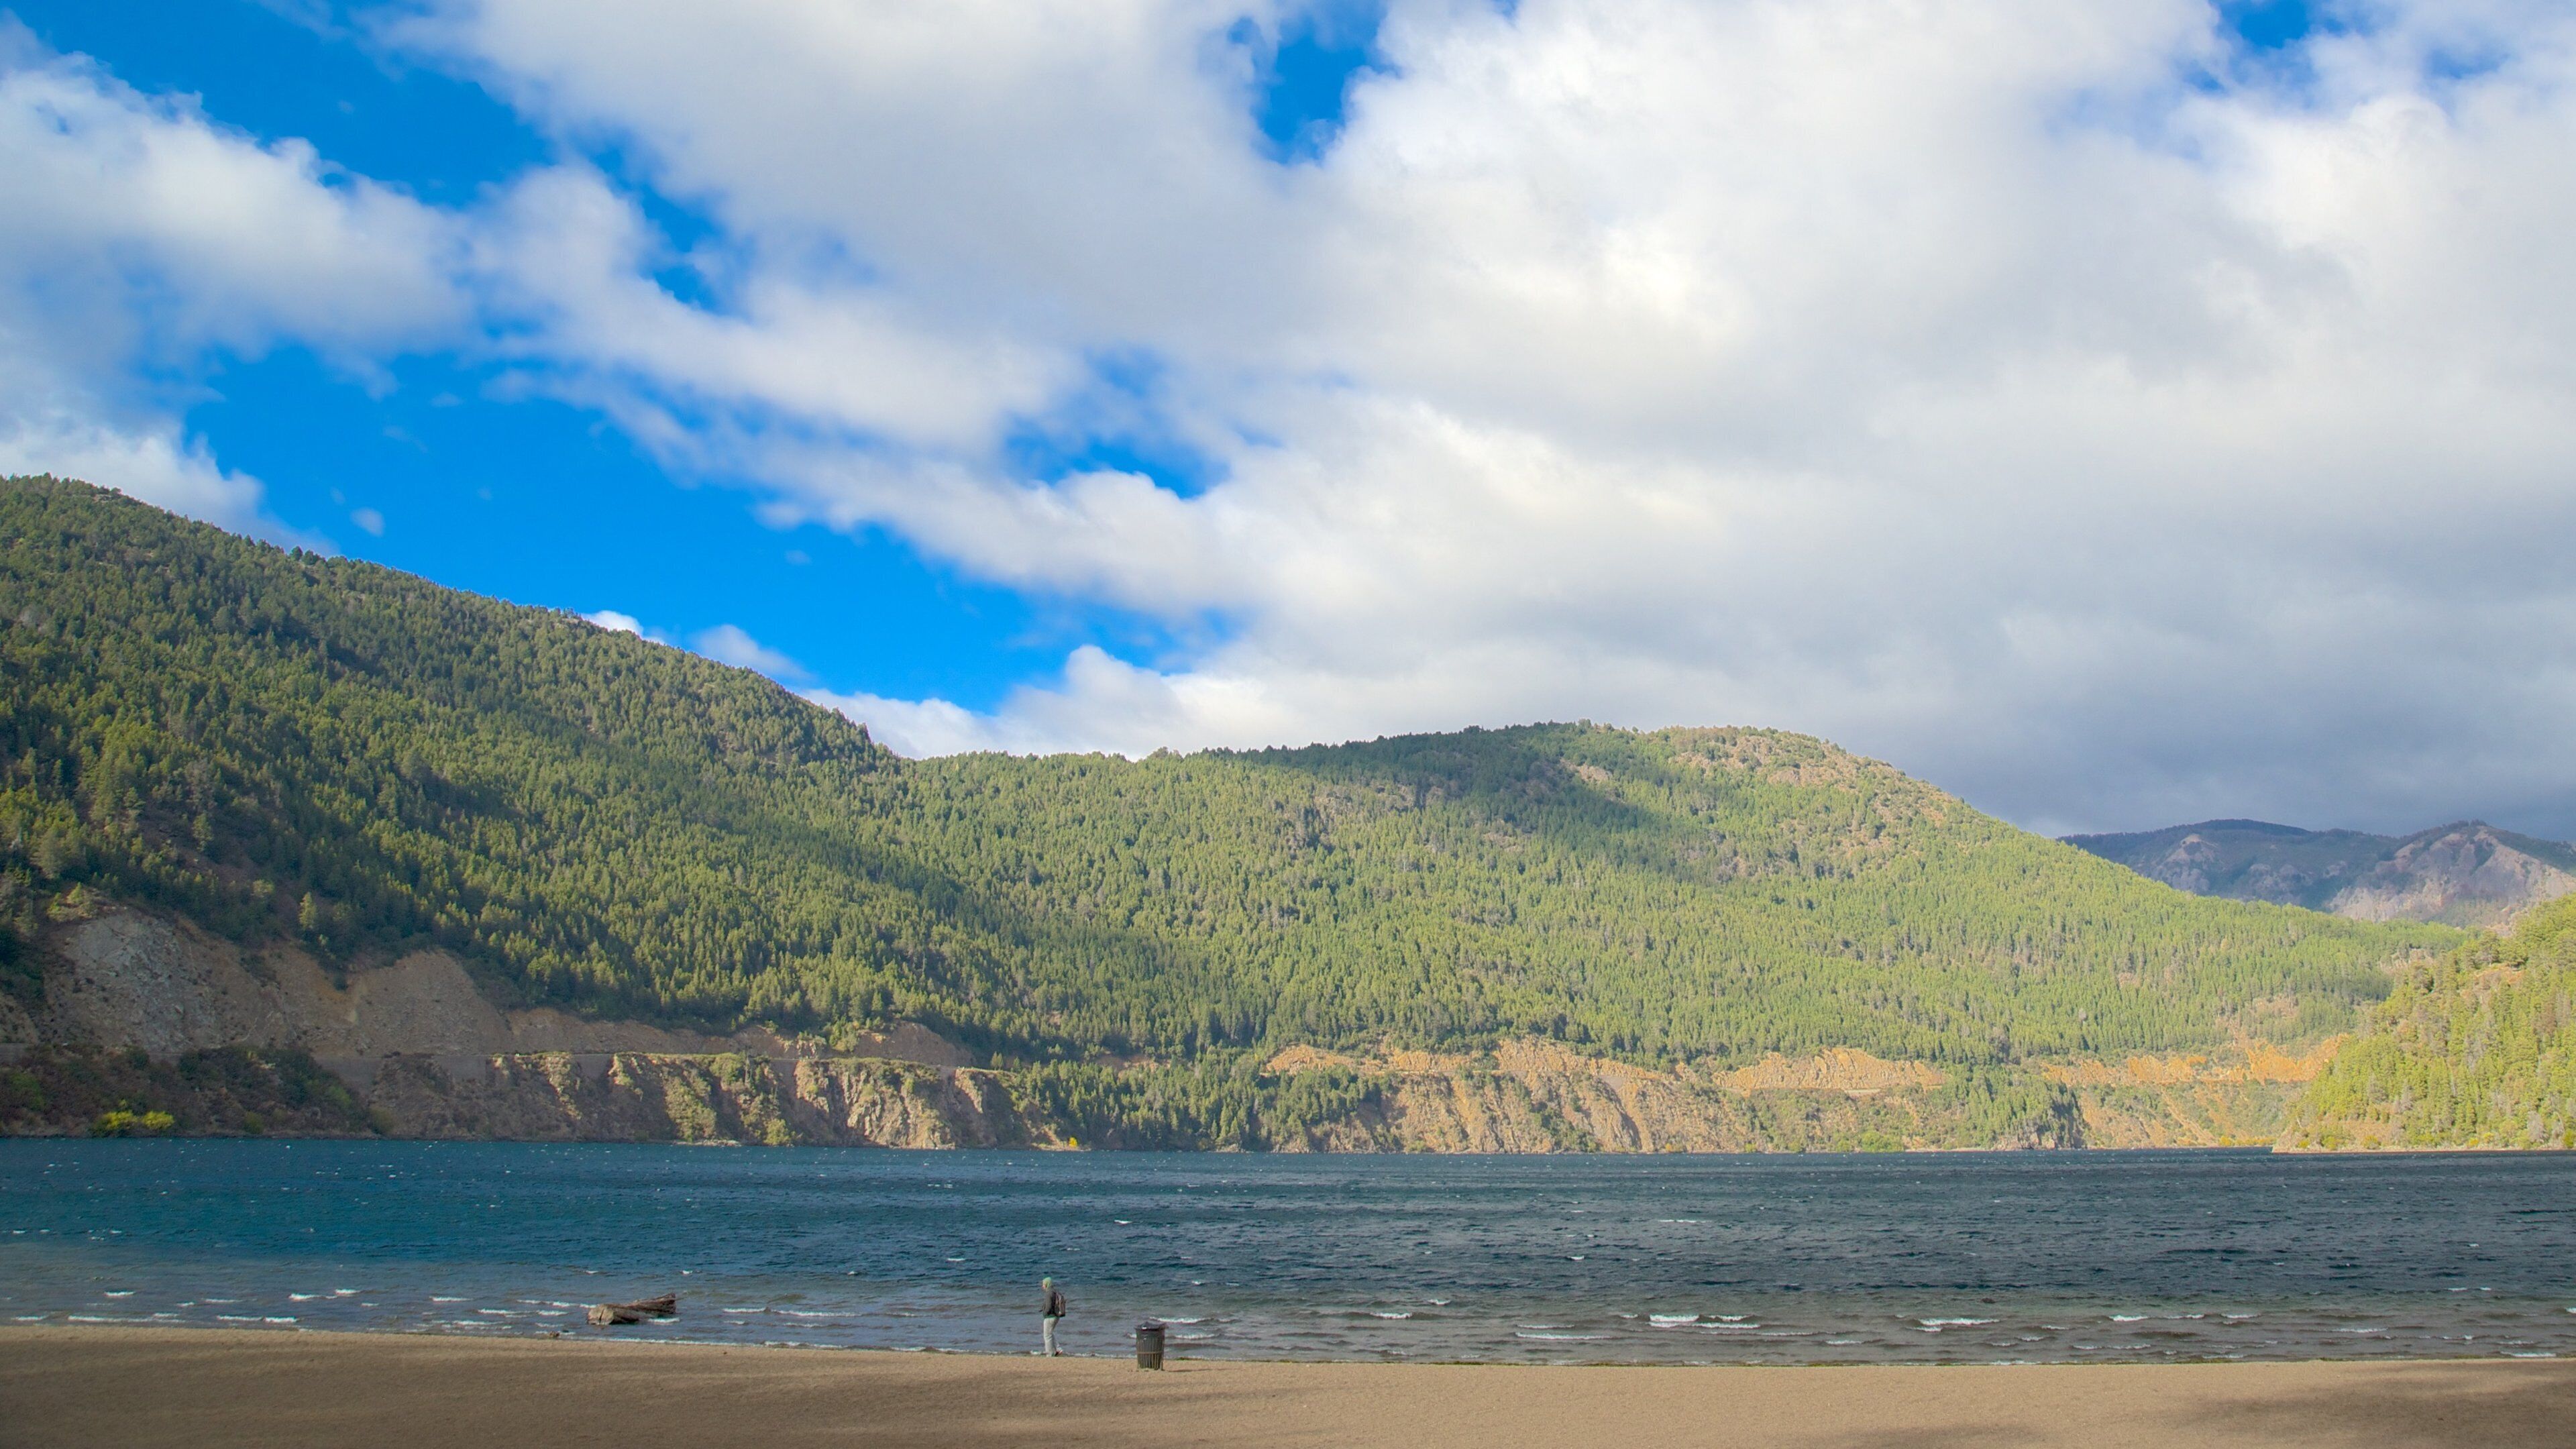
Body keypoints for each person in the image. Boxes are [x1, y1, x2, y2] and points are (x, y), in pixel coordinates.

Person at [1039, 1277, 1068, 1356]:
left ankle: (1050, 1353)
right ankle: (1058, 1349)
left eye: (1043, 1284)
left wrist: (1045, 1312)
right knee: (1050, 1333)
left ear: (1047, 1284)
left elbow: (1048, 1306)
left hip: (1050, 1317)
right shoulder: (1054, 1292)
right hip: (1056, 1316)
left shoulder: (1049, 1293)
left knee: (1047, 1335)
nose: (1042, 1286)